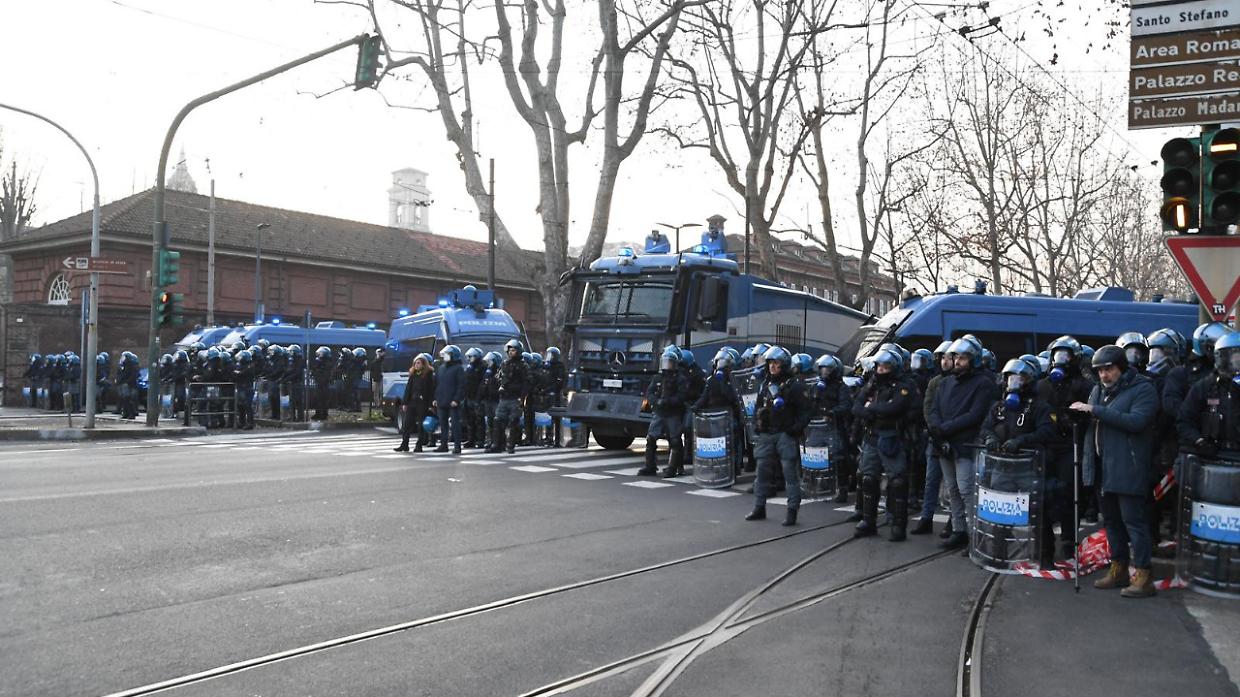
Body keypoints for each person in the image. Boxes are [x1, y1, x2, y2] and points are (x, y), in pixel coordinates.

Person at [1075, 344, 1160, 598]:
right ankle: (1118, 569)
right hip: (1103, 468)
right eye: (1099, 370)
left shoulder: (1143, 389)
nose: (1104, 375)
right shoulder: (1098, 391)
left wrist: (1096, 410)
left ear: (1121, 368)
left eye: (1108, 369)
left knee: (1134, 523)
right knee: (1111, 521)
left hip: (1129, 467)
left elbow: (1136, 422)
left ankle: (1144, 576)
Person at [980, 358, 1056, 565]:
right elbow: (986, 427)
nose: (1013, 382)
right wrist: (991, 438)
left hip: (1028, 467)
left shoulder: (1040, 407)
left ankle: (1044, 555)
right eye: (1009, 378)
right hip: (1002, 466)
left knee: (1037, 511)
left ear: (1029, 380)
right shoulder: (999, 407)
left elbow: (1047, 431)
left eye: (1019, 378)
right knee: (1000, 514)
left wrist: (1022, 441)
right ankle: (998, 555)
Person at [926, 337, 993, 550]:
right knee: (952, 490)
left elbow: (975, 414)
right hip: (943, 442)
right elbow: (934, 408)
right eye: (955, 358)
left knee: (967, 490)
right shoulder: (945, 383)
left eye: (962, 358)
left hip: (965, 444)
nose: (957, 362)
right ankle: (959, 530)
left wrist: (944, 429)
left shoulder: (983, 383)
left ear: (973, 360)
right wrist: (937, 428)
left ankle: (976, 536)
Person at [1035, 335, 1095, 553]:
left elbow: (1090, 414)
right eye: (1057, 355)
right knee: (1044, 492)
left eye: (1065, 355)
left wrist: (1073, 418)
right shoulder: (1042, 385)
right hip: (1047, 444)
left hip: (1071, 444)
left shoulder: (1085, 385)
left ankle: (1069, 538)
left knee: (1069, 492)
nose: (1060, 359)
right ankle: (1045, 536)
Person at [851, 347, 918, 540]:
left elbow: (895, 407)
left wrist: (871, 408)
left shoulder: (904, 385)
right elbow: (856, 407)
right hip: (872, 436)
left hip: (891, 438)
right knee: (868, 478)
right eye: (879, 365)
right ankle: (868, 521)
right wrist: (874, 410)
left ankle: (898, 524)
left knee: (897, 481)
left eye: (885, 366)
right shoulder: (872, 384)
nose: (881, 369)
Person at [745, 346, 812, 526]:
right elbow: (758, 407)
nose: (773, 367)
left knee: (790, 473)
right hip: (767, 433)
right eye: (770, 363)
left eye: (776, 363)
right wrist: (756, 426)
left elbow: (806, 412)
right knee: (761, 473)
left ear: (784, 364)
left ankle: (792, 511)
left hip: (784, 434)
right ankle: (759, 507)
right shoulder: (765, 384)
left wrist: (794, 429)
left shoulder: (795, 385)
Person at [1177, 329, 1240, 459]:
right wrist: (1199, 441)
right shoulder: (1204, 387)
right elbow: (1184, 421)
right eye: (1236, 359)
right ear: (1222, 358)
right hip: (1212, 458)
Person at [912, 341, 953, 534]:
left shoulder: (962, 382)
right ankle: (926, 517)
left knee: (954, 484)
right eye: (942, 358)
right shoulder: (934, 382)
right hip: (934, 437)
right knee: (931, 480)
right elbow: (928, 407)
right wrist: (934, 428)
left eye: (948, 358)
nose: (945, 362)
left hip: (953, 437)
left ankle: (954, 521)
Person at [693, 348, 746, 476]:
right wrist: (695, 407)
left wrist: (724, 383)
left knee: (732, 444)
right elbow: (705, 396)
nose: (721, 366)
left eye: (724, 364)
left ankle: (734, 469)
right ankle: (719, 469)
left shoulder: (736, 381)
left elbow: (733, 398)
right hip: (716, 416)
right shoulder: (711, 380)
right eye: (719, 363)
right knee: (718, 445)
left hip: (730, 416)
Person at [640, 346, 690, 478]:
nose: (667, 365)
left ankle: (674, 467)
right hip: (659, 412)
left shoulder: (680, 379)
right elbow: (649, 392)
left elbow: (682, 396)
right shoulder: (658, 377)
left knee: (674, 440)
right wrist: (655, 401)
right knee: (651, 438)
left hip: (673, 413)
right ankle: (650, 466)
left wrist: (668, 401)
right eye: (665, 361)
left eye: (670, 362)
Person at [811, 353, 853, 502]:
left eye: (828, 369)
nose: (824, 372)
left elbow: (846, 406)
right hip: (817, 427)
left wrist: (832, 412)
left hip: (834, 426)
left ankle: (842, 488)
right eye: (822, 369)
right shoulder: (817, 387)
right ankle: (820, 483)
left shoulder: (842, 388)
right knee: (815, 455)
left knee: (838, 457)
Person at [490, 340, 529, 454]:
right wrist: (499, 386)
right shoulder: (505, 364)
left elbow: (526, 383)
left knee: (513, 421)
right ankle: (497, 444)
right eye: (510, 350)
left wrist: (521, 397)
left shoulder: (523, 366)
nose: (511, 353)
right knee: (498, 420)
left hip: (515, 398)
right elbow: (499, 377)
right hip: (504, 397)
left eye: (513, 350)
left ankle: (510, 445)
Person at [395, 353, 436, 452]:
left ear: (423, 364)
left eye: (418, 363)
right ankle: (404, 444)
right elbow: (408, 389)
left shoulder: (429, 375)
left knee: (421, 426)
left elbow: (431, 391)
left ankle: (419, 445)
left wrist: (430, 404)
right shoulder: (413, 375)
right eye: (415, 363)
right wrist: (405, 403)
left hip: (423, 403)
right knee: (407, 424)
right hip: (412, 402)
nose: (416, 365)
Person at [433, 345, 466, 454]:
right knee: (443, 424)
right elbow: (438, 384)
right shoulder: (441, 368)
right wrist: (436, 398)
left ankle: (457, 446)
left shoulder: (458, 368)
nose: (445, 356)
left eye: (448, 354)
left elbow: (461, 385)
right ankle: (444, 445)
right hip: (442, 400)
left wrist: (456, 399)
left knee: (455, 424)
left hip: (453, 402)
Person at [681, 349, 707, 463]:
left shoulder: (697, 373)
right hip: (684, 403)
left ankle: (689, 453)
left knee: (689, 428)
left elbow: (700, 392)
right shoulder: (684, 370)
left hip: (692, 404)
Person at [478, 351, 503, 450]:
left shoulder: (499, 372)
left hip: (496, 400)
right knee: (490, 422)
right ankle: (492, 441)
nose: (488, 363)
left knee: (497, 422)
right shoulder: (487, 373)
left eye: (490, 361)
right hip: (488, 399)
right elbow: (482, 385)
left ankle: (499, 442)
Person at [544, 347, 567, 447]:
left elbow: (559, 382)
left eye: (551, 355)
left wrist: (548, 389)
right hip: (547, 394)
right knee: (547, 417)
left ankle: (557, 440)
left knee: (556, 418)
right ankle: (548, 438)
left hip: (556, 395)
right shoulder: (546, 367)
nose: (549, 357)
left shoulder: (559, 367)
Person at [463, 348, 485, 448]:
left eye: (471, 357)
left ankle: (480, 440)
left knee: (479, 420)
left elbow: (482, 384)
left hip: (478, 398)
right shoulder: (469, 367)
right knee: (470, 420)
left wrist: (479, 397)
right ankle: (471, 439)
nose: (470, 359)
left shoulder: (482, 367)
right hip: (468, 397)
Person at [234, 349, 258, 430]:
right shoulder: (241, 365)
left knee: (247, 405)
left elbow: (242, 373)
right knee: (240, 405)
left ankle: (250, 423)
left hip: (247, 387)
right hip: (241, 387)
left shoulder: (250, 366)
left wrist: (238, 373)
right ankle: (242, 422)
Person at [311, 347, 335, 421]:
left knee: (323, 400)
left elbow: (326, 375)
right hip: (319, 383)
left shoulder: (327, 364)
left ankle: (324, 414)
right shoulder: (319, 363)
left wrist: (316, 373)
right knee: (317, 399)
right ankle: (318, 413)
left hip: (324, 384)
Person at [116, 351, 140, 420]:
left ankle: (131, 413)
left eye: (124, 356)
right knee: (124, 400)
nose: (122, 358)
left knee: (129, 399)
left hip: (130, 385)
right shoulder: (123, 365)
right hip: (124, 384)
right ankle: (126, 413)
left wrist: (127, 382)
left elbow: (133, 376)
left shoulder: (131, 366)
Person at [346, 348, 367, 412]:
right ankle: (358, 407)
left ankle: (353, 407)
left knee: (353, 392)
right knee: (356, 392)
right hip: (357, 377)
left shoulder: (356, 361)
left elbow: (351, 366)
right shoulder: (362, 362)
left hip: (354, 377)